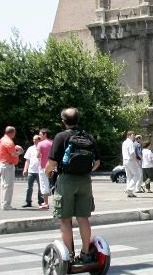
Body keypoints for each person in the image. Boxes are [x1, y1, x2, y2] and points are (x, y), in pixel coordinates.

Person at [44, 107, 101, 264]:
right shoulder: (88, 136)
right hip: (84, 181)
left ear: (63, 121)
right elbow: (97, 162)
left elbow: (52, 163)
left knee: (65, 219)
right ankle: (86, 253)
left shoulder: (60, 137)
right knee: (83, 218)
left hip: (66, 180)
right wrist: (87, 170)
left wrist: (47, 172)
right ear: (78, 120)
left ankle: (69, 255)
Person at [0, 126, 23, 210]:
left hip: (4, 164)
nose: (15, 134)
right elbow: (13, 154)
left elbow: (9, 151)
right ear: (12, 133)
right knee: (8, 186)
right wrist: (20, 152)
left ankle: (4, 203)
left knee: (4, 185)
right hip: (7, 165)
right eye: (14, 133)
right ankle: (6, 205)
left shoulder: (3, 139)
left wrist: (15, 147)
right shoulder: (9, 142)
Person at [21, 134, 42, 208]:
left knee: (41, 187)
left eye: (35, 139)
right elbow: (27, 160)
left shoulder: (42, 147)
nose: (34, 141)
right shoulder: (30, 148)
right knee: (29, 187)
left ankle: (41, 202)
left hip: (39, 170)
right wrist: (25, 169)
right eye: (33, 139)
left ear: (39, 140)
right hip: (31, 170)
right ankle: (28, 202)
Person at [36, 128, 53, 209]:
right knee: (54, 183)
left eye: (40, 134)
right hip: (53, 166)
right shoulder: (53, 143)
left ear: (45, 134)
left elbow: (38, 155)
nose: (39, 136)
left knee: (44, 184)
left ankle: (46, 203)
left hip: (43, 167)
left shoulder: (41, 144)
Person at [121, 131, 139, 198]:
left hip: (125, 160)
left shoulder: (124, 142)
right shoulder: (130, 142)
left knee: (129, 177)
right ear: (129, 135)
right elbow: (132, 153)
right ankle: (129, 189)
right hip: (130, 160)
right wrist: (136, 160)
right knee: (137, 175)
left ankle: (130, 193)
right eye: (133, 135)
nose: (134, 136)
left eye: (134, 135)